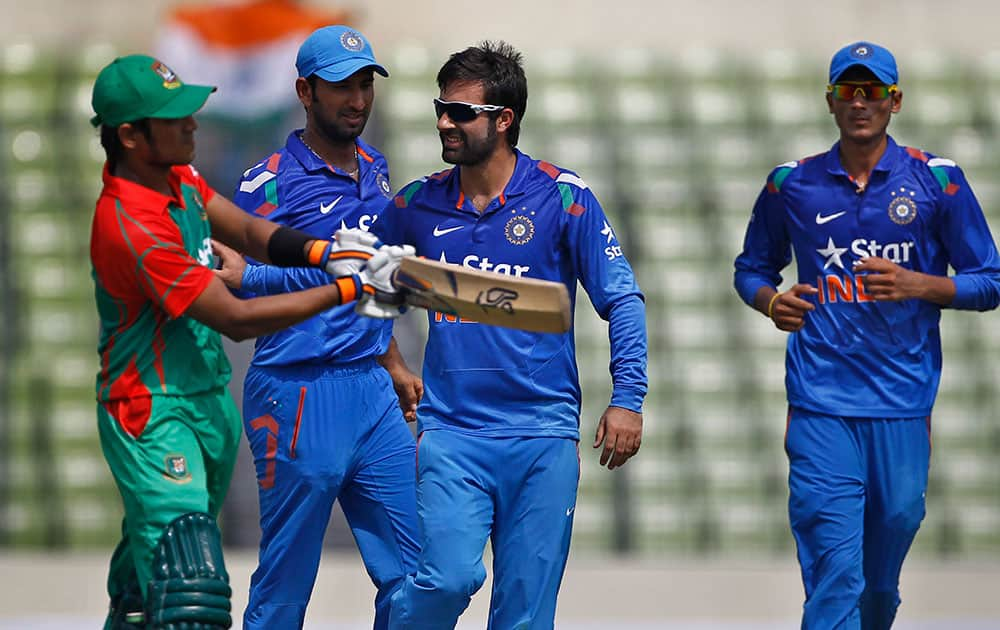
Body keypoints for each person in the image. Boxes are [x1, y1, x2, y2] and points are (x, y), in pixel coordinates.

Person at [89, 53, 408, 629]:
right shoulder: (132, 226)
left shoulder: (180, 179)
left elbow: (249, 231)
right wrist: (346, 286)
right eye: (175, 119)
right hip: (151, 409)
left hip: (206, 398)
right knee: (192, 592)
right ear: (132, 136)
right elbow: (235, 318)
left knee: (143, 592)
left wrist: (322, 251)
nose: (193, 125)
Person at [369, 41, 648, 629]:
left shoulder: (564, 198)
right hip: (453, 434)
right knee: (448, 578)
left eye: (461, 112)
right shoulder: (415, 204)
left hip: (542, 435)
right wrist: (393, 362)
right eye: (440, 108)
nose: (445, 122)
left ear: (504, 120)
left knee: (524, 615)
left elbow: (621, 299)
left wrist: (627, 399)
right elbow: (371, 293)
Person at [734, 41, 1000, 629]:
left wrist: (919, 285)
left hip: (903, 402)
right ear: (830, 101)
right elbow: (751, 269)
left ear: (894, 100)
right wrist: (770, 301)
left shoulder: (939, 182)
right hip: (821, 402)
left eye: (873, 91)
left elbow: (991, 280)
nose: (861, 102)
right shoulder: (790, 184)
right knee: (837, 570)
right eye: (848, 91)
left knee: (883, 567)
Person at [215, 25, 421, 629]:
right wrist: (332, 272)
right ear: (305, 91)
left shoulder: (377, 170)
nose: (357, 100)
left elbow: (376, 278)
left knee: (419, 576)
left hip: (372, 393)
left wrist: (392, 359)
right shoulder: (268, 181)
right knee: (286, 582)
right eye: (340, 88)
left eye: (365, 85)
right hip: (297, 390)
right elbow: (241, 279)